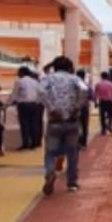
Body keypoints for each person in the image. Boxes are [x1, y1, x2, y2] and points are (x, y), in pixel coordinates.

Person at [39, 56, 88, 195]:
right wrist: (77, 107)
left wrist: (51, 108)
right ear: (69, 67)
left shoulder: (48, 79)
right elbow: (85, 90)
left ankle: (50, 172)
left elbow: (41, 91)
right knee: (72, 153)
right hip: (72, 120)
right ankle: (72, 183)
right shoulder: (74, 79)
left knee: (50, 152)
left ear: (55, 67)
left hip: (55, 121)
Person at [8, 66, 41, 149]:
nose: (17, 74)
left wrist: (7, 104)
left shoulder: (19, 81)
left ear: (22, 73)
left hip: (24, 105)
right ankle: (34, 143)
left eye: (18, 72)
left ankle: (25, 143)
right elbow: (39, 93)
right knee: (34, 124)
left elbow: (14, 94)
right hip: (35, 105)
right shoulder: (35, 82)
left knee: (25, 124)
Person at [76, 69, 93, 148]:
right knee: (84, 125)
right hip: (84, 107)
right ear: (84, 76)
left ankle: (77, 141)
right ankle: (84, 142)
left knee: (76, 124)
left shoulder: (73, 85)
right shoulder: (87, 86)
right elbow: (91, 96)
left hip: (75, 108)